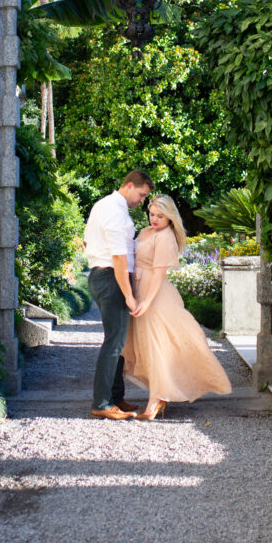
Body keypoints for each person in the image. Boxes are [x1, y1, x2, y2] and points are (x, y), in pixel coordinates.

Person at [123, 194, 231, 420]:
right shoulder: (146, 232)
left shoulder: (165, 237)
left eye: (160, 216)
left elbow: (159, 274)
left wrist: (147, 301)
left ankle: (155, 400)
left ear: (170, 217)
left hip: (155, 295)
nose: (154, 219)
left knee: (156, 345)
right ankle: (158, 396)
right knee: (147, 345)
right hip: (140, 291)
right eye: (151, 214)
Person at [84, 170, 155, 420]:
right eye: (142, 194)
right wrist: (128, 295)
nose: (143, 201)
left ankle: (115, 397)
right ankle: (102, 403)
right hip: (112, 279)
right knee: (114, 342)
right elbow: (118, 256)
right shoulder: (114, 210)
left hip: (103, 277)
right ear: (128, 186)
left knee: (117, 342)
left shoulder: (106, 205)